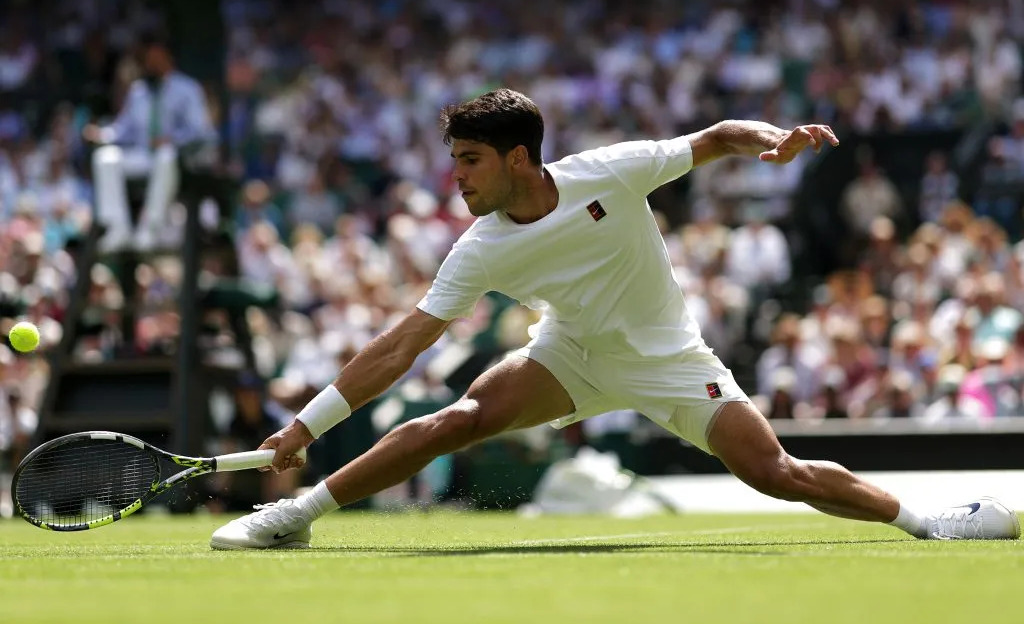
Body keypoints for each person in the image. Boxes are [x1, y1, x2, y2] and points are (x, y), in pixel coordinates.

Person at [210, 89, 1020, 549]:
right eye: (455, 159)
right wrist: (307, 426)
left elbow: (713, 137)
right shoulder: (478, 247)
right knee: (456, 418)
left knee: (773, 474)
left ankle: (929, 521)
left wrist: (768, 141)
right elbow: (400, 349)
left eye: (470, 161)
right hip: (569, 354)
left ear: (518, 159)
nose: (455, 178)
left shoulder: (611, 171)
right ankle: (297, 515)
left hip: (669, 359)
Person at [83, 32, 215, 252]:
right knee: (105, 158)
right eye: (149, 59)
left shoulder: (188, 89)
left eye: (157, 58)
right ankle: (117, 227)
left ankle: (150, 227)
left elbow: (202, 132)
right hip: (144, 156)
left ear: (168, 59)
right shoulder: (138, 92)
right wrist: (101, 134)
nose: (152, 64)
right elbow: (123, 129)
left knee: (165, 153)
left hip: (177, 160)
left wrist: (172, 139)